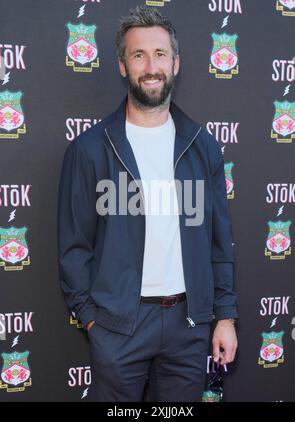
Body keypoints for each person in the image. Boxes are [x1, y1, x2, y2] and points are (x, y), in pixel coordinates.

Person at [57, 6, 238, 402]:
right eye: (138, 55)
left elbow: (219, 242)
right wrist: (91, 320)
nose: (150, 66)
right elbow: (73, 248)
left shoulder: (202, 146)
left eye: (159, 54)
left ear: (176, 63)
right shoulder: (89, 150)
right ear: (123, 65)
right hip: (118, 325)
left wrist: (223, 317)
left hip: (188, 324)